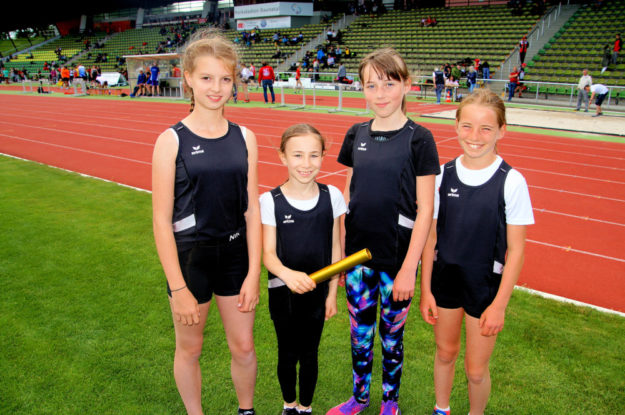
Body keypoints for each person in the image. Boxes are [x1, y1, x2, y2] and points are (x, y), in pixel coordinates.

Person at [151, 31, 261, 415]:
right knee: (190, 348)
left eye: (225, 79)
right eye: (206, 78)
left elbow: (251, 212)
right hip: (190, 260)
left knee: (244, 346)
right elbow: (162, 223)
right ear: (187, 79)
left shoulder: (245, 137)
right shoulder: (170, 140)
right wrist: (178, 288)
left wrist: (252, 274)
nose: (216, 88)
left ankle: (245, 411)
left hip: (235, 257)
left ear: (235, 81)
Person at [327, 47, 440, 415]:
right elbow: (348, 197)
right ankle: (359, 398)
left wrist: (410, 268)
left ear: (406, 85)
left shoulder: (419, 138)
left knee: (391, 338)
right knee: (360, 338)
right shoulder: (355, 133)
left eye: (389, 84)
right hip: (358, 259)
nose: (380, 94)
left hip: (396, 262)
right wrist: (342, 257)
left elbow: (426, 211)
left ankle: (389, 403)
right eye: (371, 85)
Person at [419, 88, 534, 415]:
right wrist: (426, 289)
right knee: (444, 353)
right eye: (467, 126)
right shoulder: (442, 175)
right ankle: (441, 409)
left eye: (486, 128)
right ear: (455, 126)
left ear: (502, 131)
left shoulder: (511, 181)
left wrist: (499, 305)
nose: (475, 136)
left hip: (484, 287)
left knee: (475, 369)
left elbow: (517, 251)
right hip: (445, 282)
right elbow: (430, 239)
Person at [261, 123, 345, 415]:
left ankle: (306, 408)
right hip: (282, 294)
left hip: (317, 294)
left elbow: (336, 249)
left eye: (314, 155)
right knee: (287, 352)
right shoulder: (270, 201)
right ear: (283, 156)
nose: (306, 164)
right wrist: (287, 275)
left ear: (323, 156)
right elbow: (269, 255)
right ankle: (289, 405)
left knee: (310, 353)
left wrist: (332, 293)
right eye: (297, 155)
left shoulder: (332, 195)